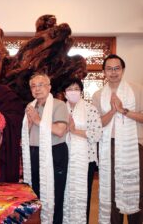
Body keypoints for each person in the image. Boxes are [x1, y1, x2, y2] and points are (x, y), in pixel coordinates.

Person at [92, 54, 143, 224]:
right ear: (104, 71)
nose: (113, 72)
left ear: (123, 70)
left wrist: (123, 111)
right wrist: (113, 111)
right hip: (109, 147)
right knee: (112, 191)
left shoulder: (137, 90)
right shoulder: (98, 95)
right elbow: (98, 123)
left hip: (134, 147)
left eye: (117, 68)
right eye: (109, 69)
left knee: (136, 188)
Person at [21, 73, 68, 224]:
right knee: (35, 193)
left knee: (55, 194)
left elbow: (60, 130)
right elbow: (25, 135)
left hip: (54, 153)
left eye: (41, 85)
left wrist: (37, 120)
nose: (37, 89)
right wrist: (28, 123)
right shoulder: (31, 106)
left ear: (49, 87)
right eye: (33, 86)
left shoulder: (59, 104)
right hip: (34, 153)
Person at [61, 78, 102, 224]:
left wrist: (74, 130)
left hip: (86, 160)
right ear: (64, 92)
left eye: (76, 89)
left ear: (81, 91)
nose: (73, 92)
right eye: (69, 89)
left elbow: (96, 134)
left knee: (82, 196)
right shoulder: (60, 108)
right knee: (64, 195)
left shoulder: (90, 109)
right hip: (63, 159)